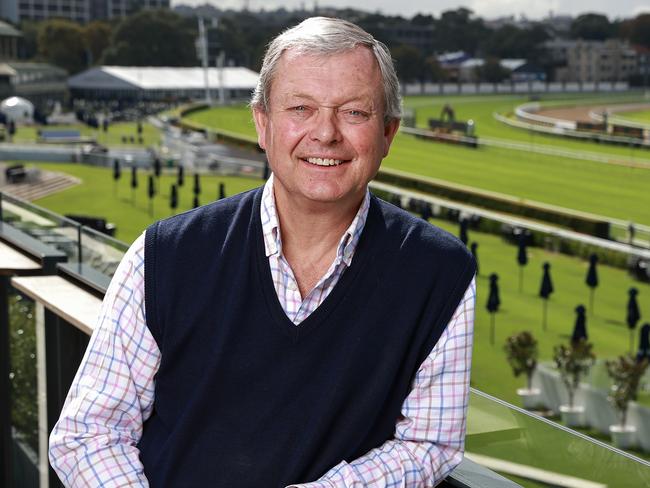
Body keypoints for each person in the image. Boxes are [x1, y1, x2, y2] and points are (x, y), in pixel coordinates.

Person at [49, 17, 476, 487]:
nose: (326, 133)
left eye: (355, 112)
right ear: (262, 123)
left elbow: (429, 444)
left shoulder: (440, 273)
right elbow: (87, 434)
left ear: (389, 133)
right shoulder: (163, 256)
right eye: (300, 108)